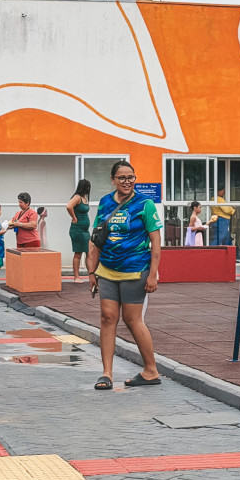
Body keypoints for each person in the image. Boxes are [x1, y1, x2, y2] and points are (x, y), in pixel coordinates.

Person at [87, 160, 162, 390]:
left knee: (132, 319)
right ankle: (106, 374)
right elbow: (97, 236)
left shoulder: (145, 204)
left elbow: (156, 241)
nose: (127, 181)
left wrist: (153, 274)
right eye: (122, 178)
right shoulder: (105, 202)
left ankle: (151, 370)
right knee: (107, 318)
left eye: (131, 177)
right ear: (113, 180)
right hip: (108, 268)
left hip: (135, 269)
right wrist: (91, 271)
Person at [66, 179, 92, 281]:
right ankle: (76, 277)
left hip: (85, 230)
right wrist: (74, 217)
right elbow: (69, 206)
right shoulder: (77, 197)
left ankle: (91, 275)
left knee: (89, 253)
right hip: (77, 229)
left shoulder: (84, 198)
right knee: (78, 254)